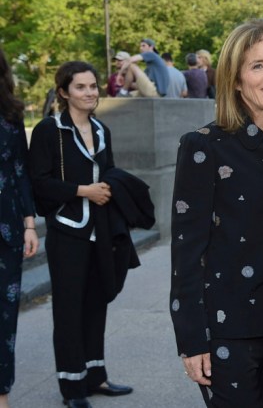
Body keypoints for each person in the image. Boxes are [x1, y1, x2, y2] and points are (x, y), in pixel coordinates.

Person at [170, 19, 263, 408]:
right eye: (258, 66)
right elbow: (186, 253)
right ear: (235, 80)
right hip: (228, 331)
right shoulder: (204, 147)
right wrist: (191, 340)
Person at [29, 61, 150, 408]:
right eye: (81, 87)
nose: (90, 93)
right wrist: (83, 191)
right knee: (68, 310)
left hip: (100, 230)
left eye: (94, 86)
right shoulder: (48, 130)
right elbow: (40, 182)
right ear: (64, 92)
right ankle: (72, 388)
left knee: (97, 303)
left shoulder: (100, 129)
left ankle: (96, 376)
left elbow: (107, 171)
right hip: (67, 232)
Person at [0, 47, 39, 408]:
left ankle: (2, 394)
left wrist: (30, 224)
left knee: (4, 319)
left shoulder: (10, 112)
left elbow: (20, 173)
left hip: (7, 230)